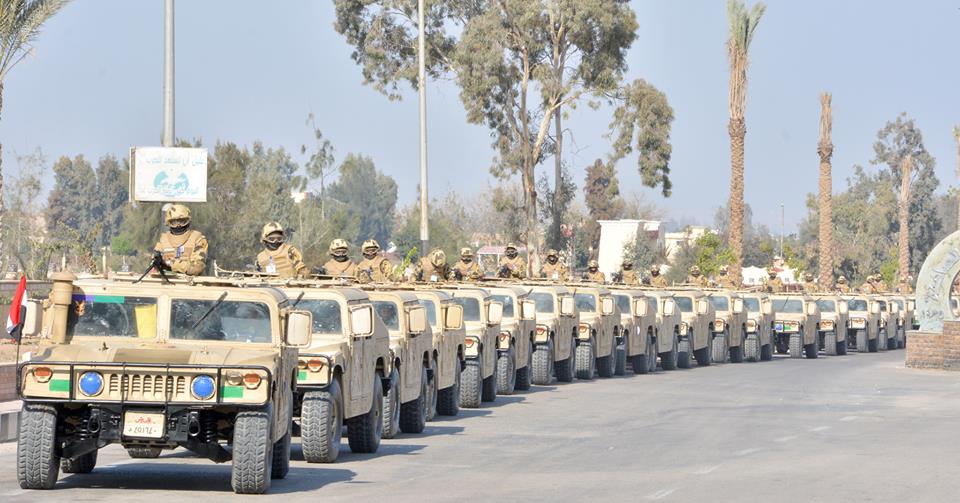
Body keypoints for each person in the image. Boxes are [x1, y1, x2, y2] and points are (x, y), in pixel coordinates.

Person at [154, 204, 208, 276]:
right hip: (167, 282)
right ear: (168, 223)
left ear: (188, 221)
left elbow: (197, 268)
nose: (178, 225)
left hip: (191, 284)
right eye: (174, 222)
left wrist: (170, 264)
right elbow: (154, 264)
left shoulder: (198, 239)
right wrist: (158, 263)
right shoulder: (163, 240)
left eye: (182, 221)